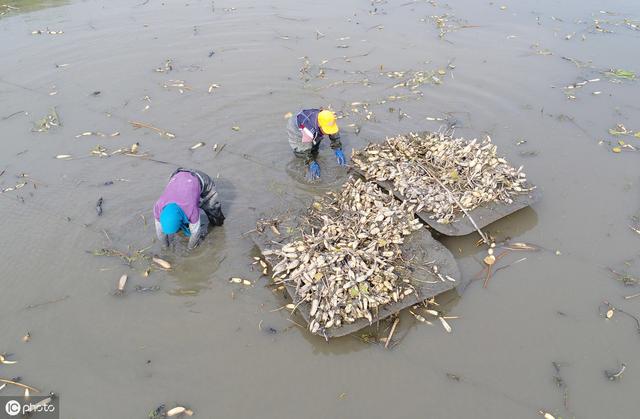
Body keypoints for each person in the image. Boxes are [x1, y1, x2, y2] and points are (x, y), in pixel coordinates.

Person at [153, 168, 224, 250]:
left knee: (214, 215)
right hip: (176, 176)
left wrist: (190, 249)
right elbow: (160, 232)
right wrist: (165, 246)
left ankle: (218, 224)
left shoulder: (190, 209)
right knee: (181, 224)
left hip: (199, 179)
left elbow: (195, 233)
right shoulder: (158, 207)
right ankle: (181, 224)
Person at [287, 108, 346, 180]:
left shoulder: (327, 118)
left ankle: (313, 153)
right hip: (296, 127)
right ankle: (308, 163)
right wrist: (311, 162)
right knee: (300, 151)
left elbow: (333, 131)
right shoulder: (308, 131)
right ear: (320, 126)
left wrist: (337, 147)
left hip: (307, 120)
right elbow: (304, 150)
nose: (328, 133)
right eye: (326, 130)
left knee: (315, 147)